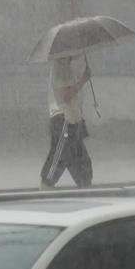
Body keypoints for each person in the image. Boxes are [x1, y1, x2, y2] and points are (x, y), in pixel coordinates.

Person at [40, 54, 93, 189]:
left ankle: (85, 192)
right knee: (56, 163)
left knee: (82, 168)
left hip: (74, 120)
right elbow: (64, 96)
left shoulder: (69, 63)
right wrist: (83, 80)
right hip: (64, 120)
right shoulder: (60, 64)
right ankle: (44, 192)